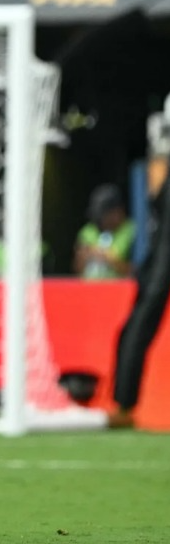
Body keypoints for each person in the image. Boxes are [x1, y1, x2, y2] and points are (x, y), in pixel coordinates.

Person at [109, 151, 170, 428]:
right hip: (159, 259)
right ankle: (123, 405)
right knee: (134, 330)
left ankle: (124, 406)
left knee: (137, 328)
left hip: (161, 262)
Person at [73, 183, 135, 279]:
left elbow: (137, 272)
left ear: (117, 212)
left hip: (118, 286)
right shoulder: (88, 231)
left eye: (103, 216)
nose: (99, 221)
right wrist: (83, 258)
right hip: (90, 286)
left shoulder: (131, 230)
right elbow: (76, 270)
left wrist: (109, 259)